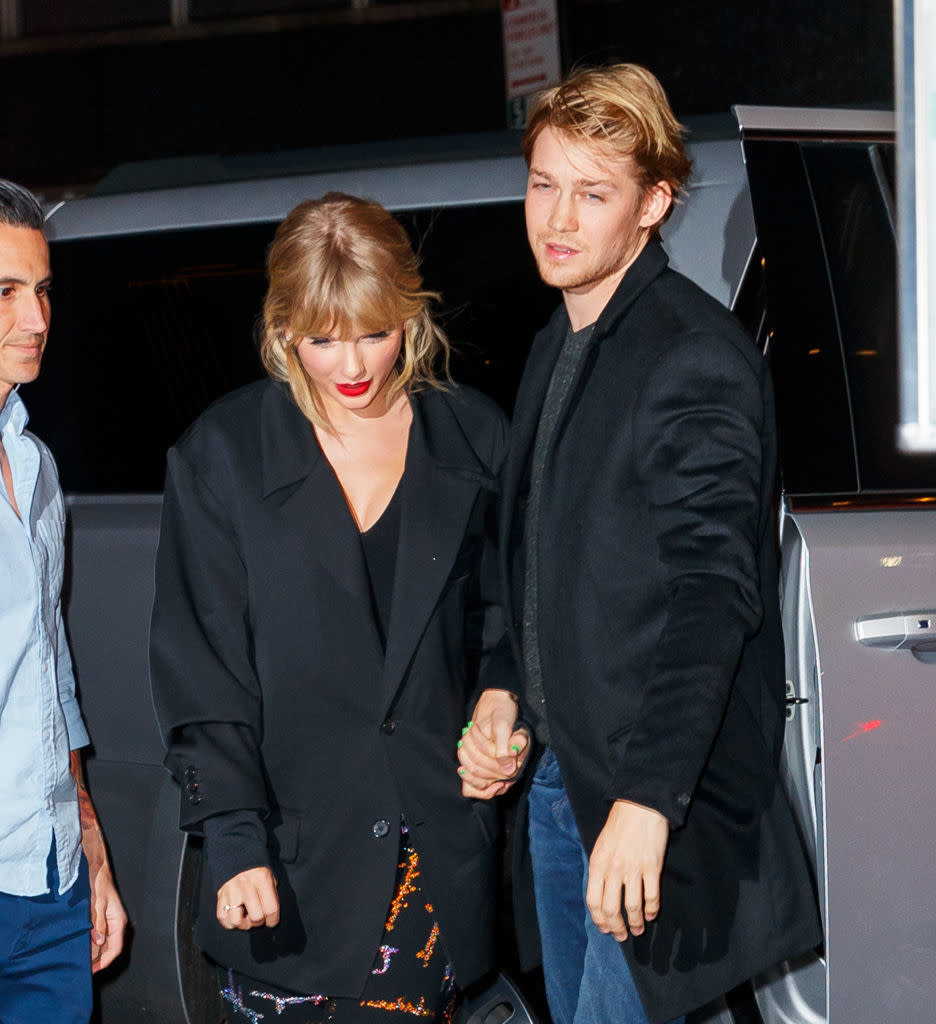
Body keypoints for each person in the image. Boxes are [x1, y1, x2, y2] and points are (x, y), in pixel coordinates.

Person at [457, 64, 823, 1024]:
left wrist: (649, 802)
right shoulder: (558, 341)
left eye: (593, 192)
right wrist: (503, 685)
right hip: (559, 784)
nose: (558, 218)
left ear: (654, 203)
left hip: (655, 800)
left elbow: (714, 594)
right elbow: (528, 559)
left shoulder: (691, 353)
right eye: (544, 184)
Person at [149, 192, 519, 1023]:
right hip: (288, 860)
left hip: (433, 850)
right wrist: (235, 842)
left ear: (410, 314)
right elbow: (203, 671)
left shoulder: (473, 438)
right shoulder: (225, 455)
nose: (352, 364)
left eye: (375, 332)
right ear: (281, 331)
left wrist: (501, 703)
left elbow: (509, 623)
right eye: (321, 339)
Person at [0, 180, 127, 1022]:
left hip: (46, 883)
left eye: (42, 291)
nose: (37, 319)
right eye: (5, 293)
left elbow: (50, 673)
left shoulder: (38, 468)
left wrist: (91, 854)